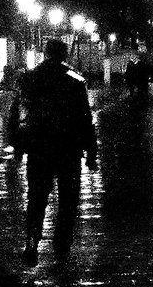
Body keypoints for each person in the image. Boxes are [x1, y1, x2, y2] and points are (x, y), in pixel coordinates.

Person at [12, 37, 97, 266]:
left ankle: (32, 240)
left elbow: (18, 114)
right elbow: (85, 119)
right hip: (68, 149)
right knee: (68, 198)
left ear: (45, 53)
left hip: (39, 148)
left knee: (37, 197)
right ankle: (62, 242)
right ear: (65, 55)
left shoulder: (29, 79)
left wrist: (19, 146)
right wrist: (91, 152)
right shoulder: (75, 81)